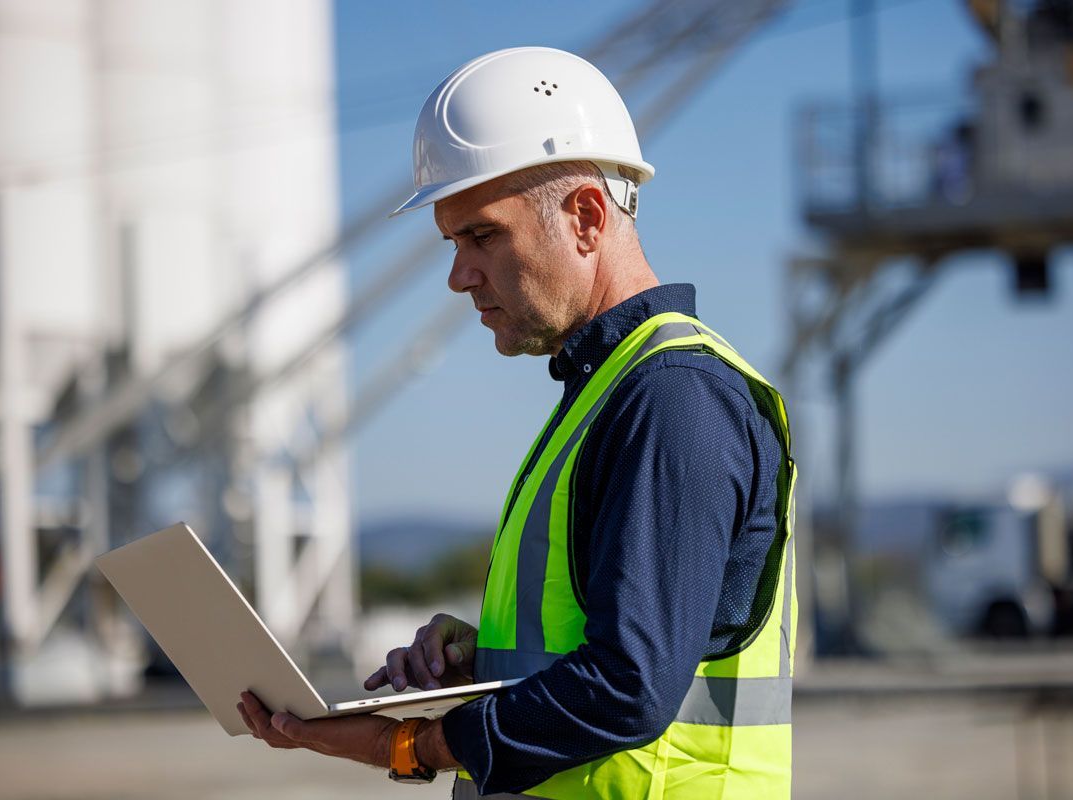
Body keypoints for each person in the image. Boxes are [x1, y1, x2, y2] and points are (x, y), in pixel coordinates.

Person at [237, 46, 798, 799]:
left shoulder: (673, 399)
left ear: (587, 217)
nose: (458, 275)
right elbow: (622, 646)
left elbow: (629, 685)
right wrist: (485, 658)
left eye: (482, 236)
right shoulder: (610, 391)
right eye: (453, 242)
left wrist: (404, 744)